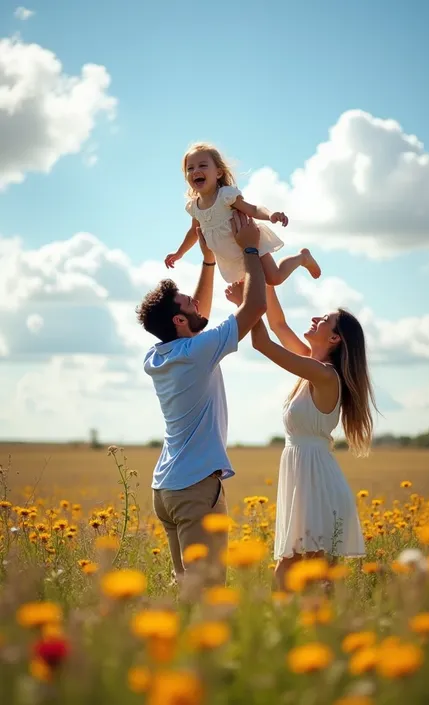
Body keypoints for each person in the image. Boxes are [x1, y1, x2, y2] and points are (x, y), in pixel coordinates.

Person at [136, 212, 266, 586]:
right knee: (207, 592)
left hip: (166, 489)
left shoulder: (158, 356)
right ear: (178, 322)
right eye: (188, 304)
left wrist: (208, 260)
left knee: (188, 589)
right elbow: (255, 306)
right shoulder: (196, 351)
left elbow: (200, 316)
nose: (196, 304)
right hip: (194, 488)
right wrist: (251, 248)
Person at [225, 283, 377, 590]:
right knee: (295, 571)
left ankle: (319, 631)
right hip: (306, 477)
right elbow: (278, 325)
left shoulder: (324, 375)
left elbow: (264, 344)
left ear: (335, 338)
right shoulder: (311, 366)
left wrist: (247, 304)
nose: (315, 319)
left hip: (317, 483)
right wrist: (263, 279)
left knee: (309, 575)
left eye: (324, 319)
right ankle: (301, 631)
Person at [164, 142, 321, 285]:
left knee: (274, 278)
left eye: (203, 165)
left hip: (251, 243)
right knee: (250, 289)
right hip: (230, 258)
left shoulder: (225, 195)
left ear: (218, 173)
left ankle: (303, 258)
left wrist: (271, 215)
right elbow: (194, 232)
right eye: (190, 168)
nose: (195, 171)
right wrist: (179, 253)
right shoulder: (194, 206)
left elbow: (253, 209)